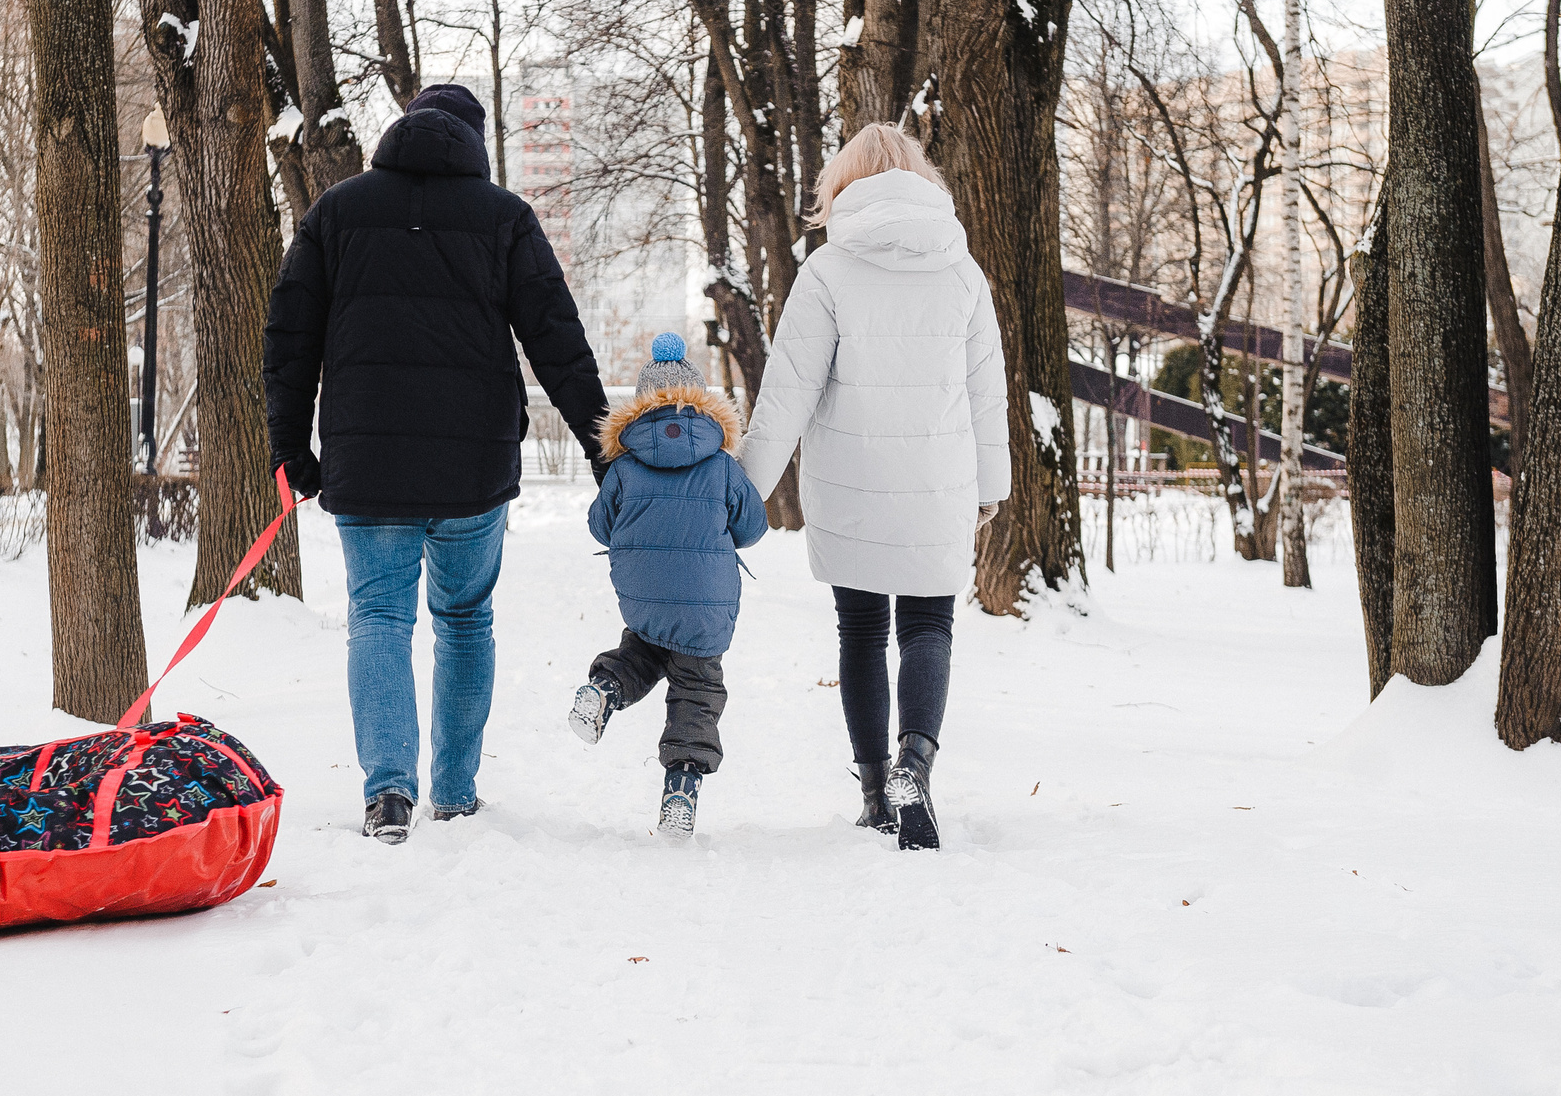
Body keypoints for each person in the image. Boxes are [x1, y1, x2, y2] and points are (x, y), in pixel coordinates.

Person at [264, 83, 609, 845]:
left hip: (367, 458)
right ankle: (453, 791)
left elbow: (289, 334)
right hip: (472, 467)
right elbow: (556, 335)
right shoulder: (502, 219)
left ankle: (388, 794)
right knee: (464, 620)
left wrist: (290, 446)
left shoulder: (338, 212)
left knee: (379, 617)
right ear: (473, 143)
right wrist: (601, 446)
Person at [737, 123, 1007, 850]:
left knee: (860, 630)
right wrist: (992, 486)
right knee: (929, 626)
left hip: (850, 483)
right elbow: (987, 392)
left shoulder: (829, 271)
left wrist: (743, 492)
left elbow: (787, 392)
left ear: (842, 186)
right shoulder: (962, 271)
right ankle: (914, 762)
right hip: (937, 479)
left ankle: (872, 792)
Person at [570, 334, 768, 840]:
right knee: (697, 688)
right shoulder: (721, 465)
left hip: (643, 594)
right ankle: (681, 788)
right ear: (704, 404)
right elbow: (752, 527)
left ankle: (605, 688)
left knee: (645, 649)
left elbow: (600, 525)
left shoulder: (626, 464)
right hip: (705, 604)